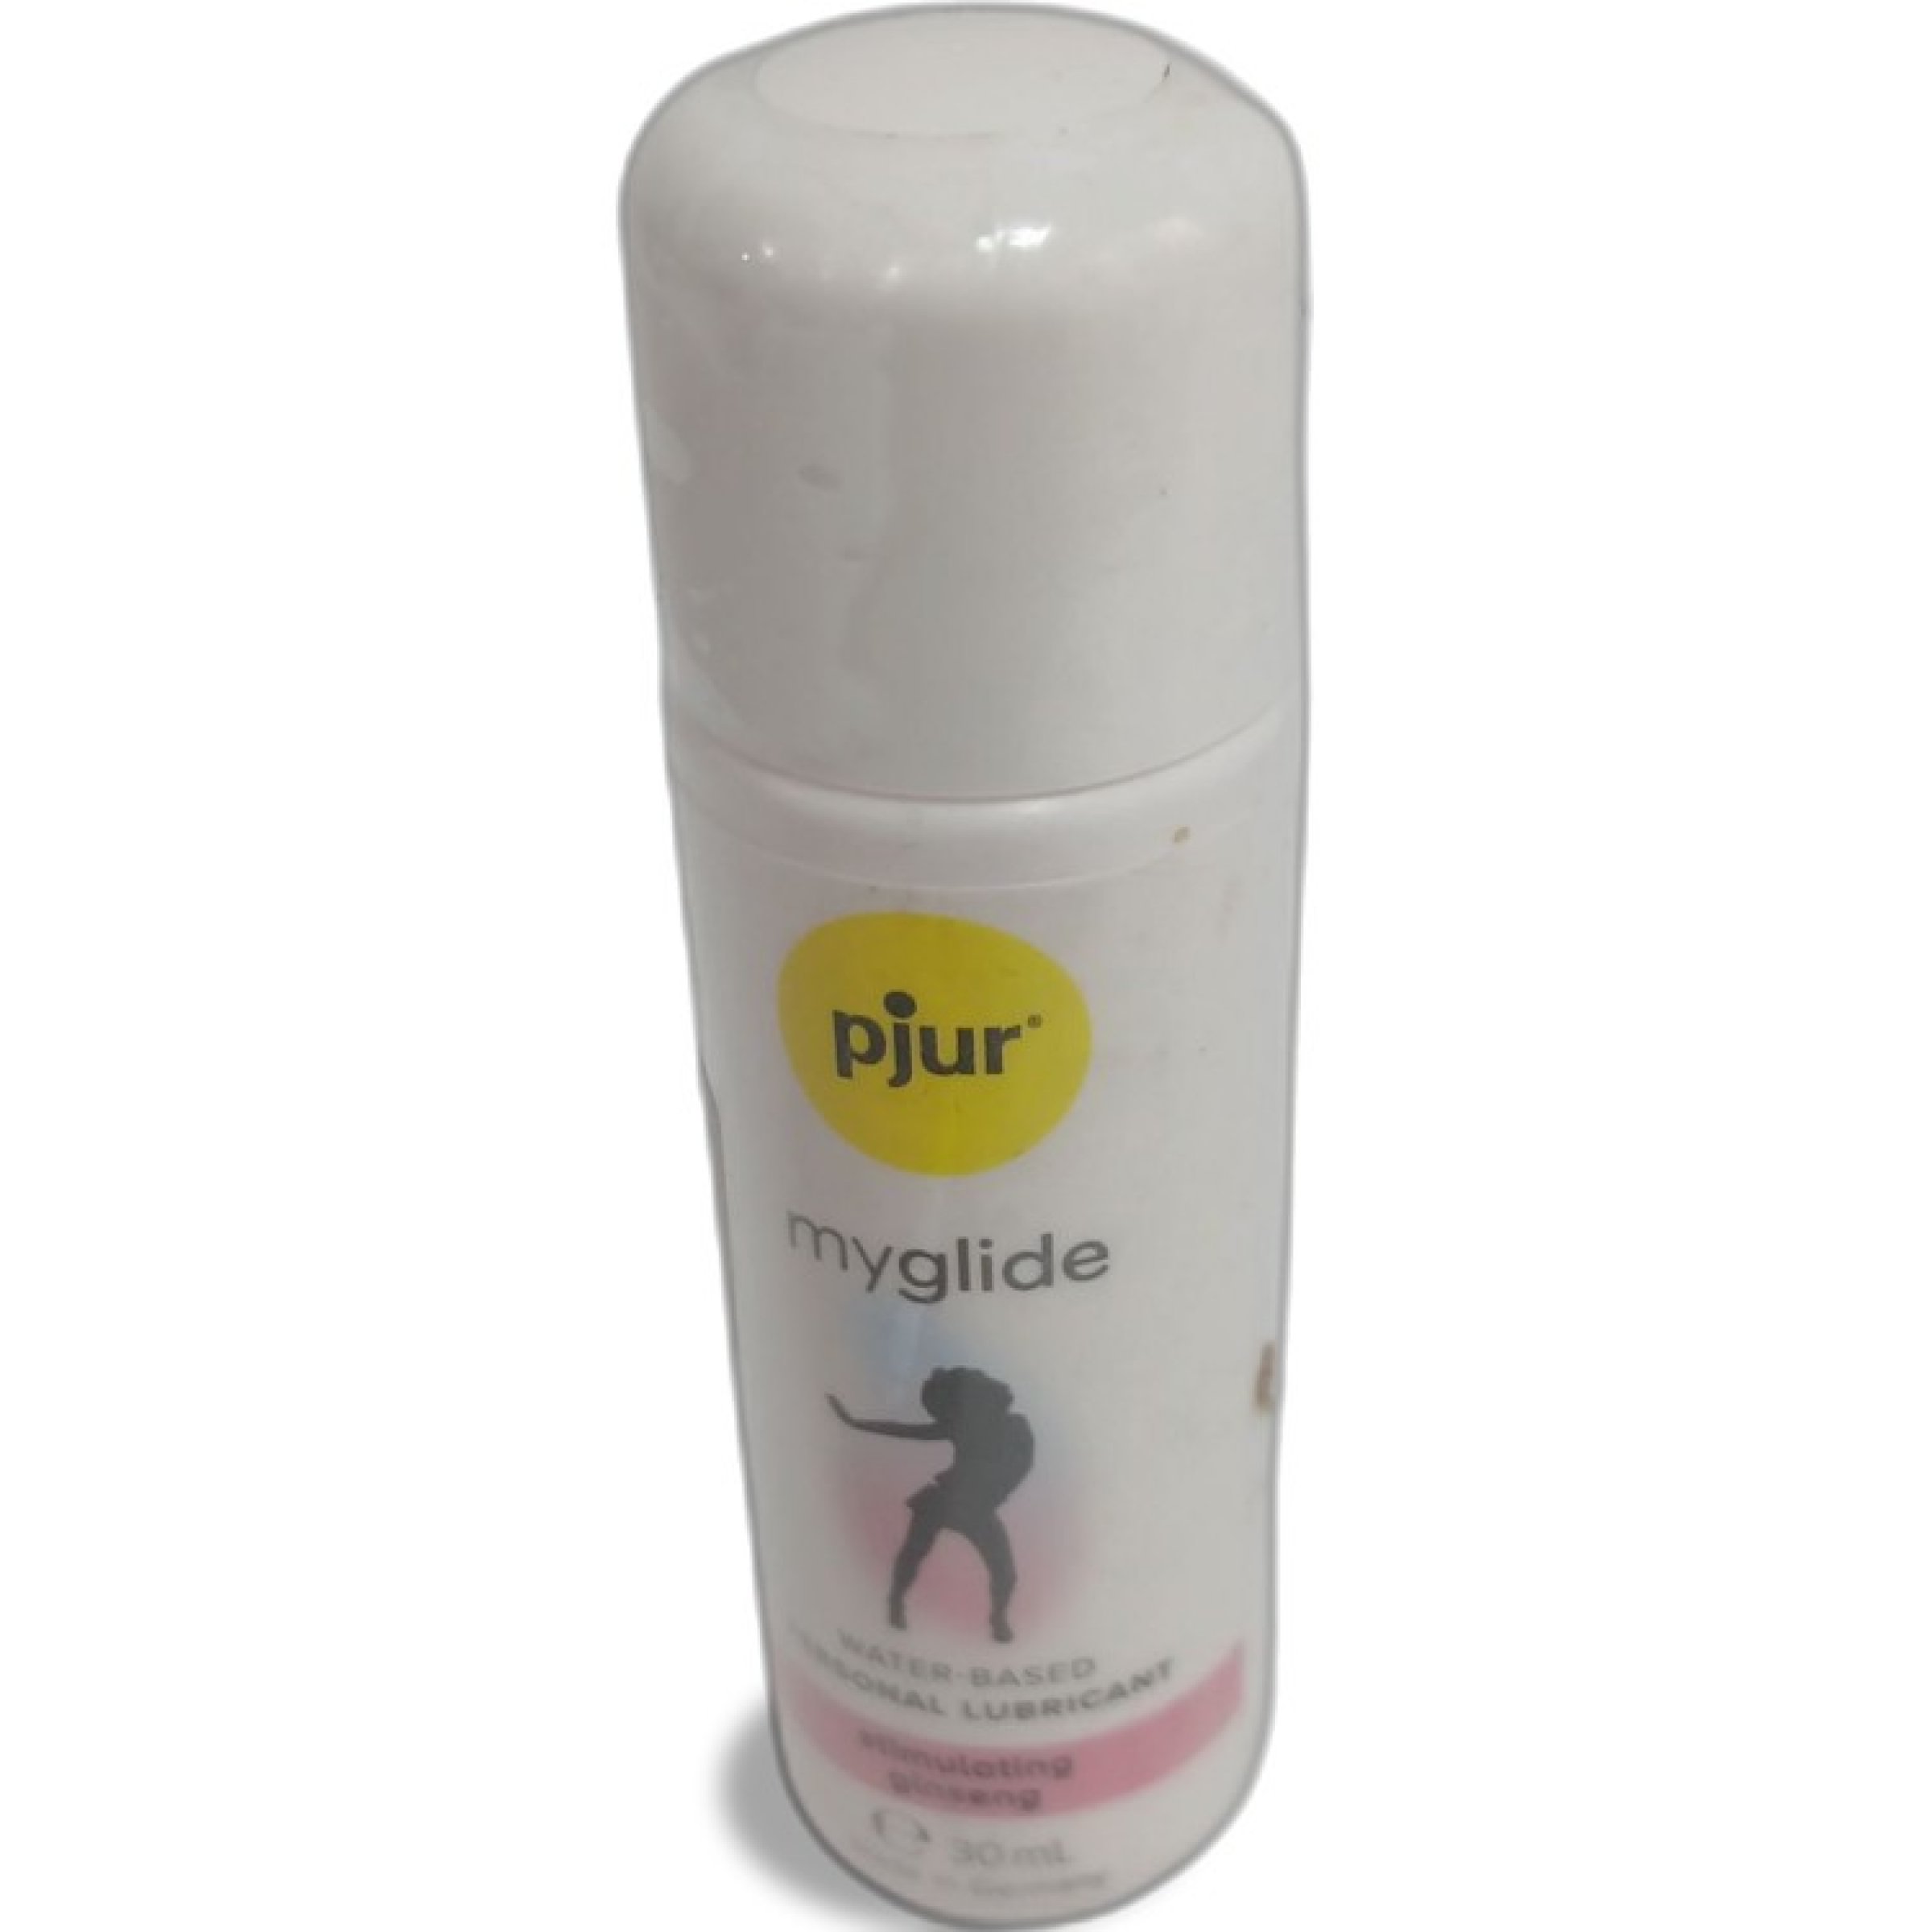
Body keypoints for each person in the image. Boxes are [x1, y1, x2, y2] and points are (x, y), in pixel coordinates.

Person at [829, 1368, 1034, 1642]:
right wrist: (854, 1423)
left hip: (977, 1508)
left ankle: (998, 1619)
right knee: (913, 1553)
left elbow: (1020, 1465)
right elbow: (907, 1431)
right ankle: (895, 1600)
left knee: (1004, 1572)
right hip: (945, 1499)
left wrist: (993, 1488)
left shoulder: (1015, 1427)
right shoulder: (964, 1424)